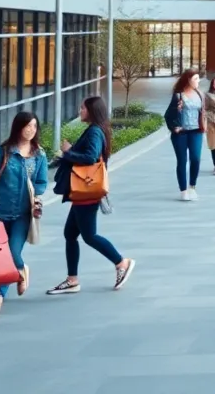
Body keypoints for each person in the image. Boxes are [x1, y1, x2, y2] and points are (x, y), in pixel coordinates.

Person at [47, 96, 136, 295]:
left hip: (87, 192)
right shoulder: (96, 129)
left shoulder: (95, 131)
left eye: (83, 108)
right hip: (83, 192)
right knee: (70, 234)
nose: (80, 111)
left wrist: (68, 152)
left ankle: (121, 262)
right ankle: (72, 280)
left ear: (92, 111)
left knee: (89, 235)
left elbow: (90, 157)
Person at [0, 111, 48, 317]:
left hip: (23, 214)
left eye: (34, 127)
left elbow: (41, 182)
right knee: (3, 255)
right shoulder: (3, 152)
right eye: (27, 126)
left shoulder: (39, 154)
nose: (31, 130)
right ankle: (19, 271)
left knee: (11, 251)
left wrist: (36, 197)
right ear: (18, 127)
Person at [165, 70, 205, 201]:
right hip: (181, 133)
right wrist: (174, 128)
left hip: (196, 131)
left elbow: (203, 112)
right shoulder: (178, 96)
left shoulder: (200, 94)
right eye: (196, 78)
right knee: (182, 161)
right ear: (188, 80)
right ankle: (183, 190)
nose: (198, 81)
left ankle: (192, 187)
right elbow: (168, 115)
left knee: (196, 158)